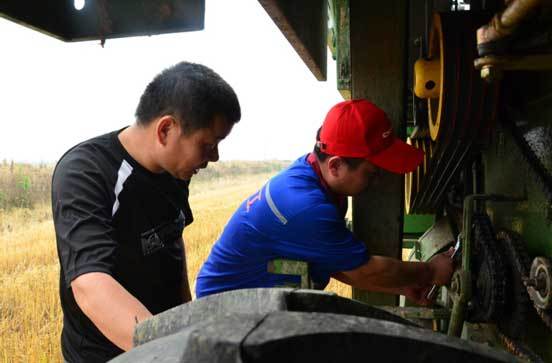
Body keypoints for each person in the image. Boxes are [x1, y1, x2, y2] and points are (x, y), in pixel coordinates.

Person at [51, 61, 241, 362]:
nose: (214, 157)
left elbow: (171, 247)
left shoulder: (174, 173)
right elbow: (91, 285)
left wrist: (185, 322)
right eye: (208, 144)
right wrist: (177, 353)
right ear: (166, 129)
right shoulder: (85, 172)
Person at [195, 99, 453, 304]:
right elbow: (363, 270)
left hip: (259, 302)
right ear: (336, 165)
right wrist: (430, 271)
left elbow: (337, 262)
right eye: (372, 173)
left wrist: (400, 284)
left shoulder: (313, 173)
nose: (377, 182)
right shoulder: (307, 208)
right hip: (224, 311)